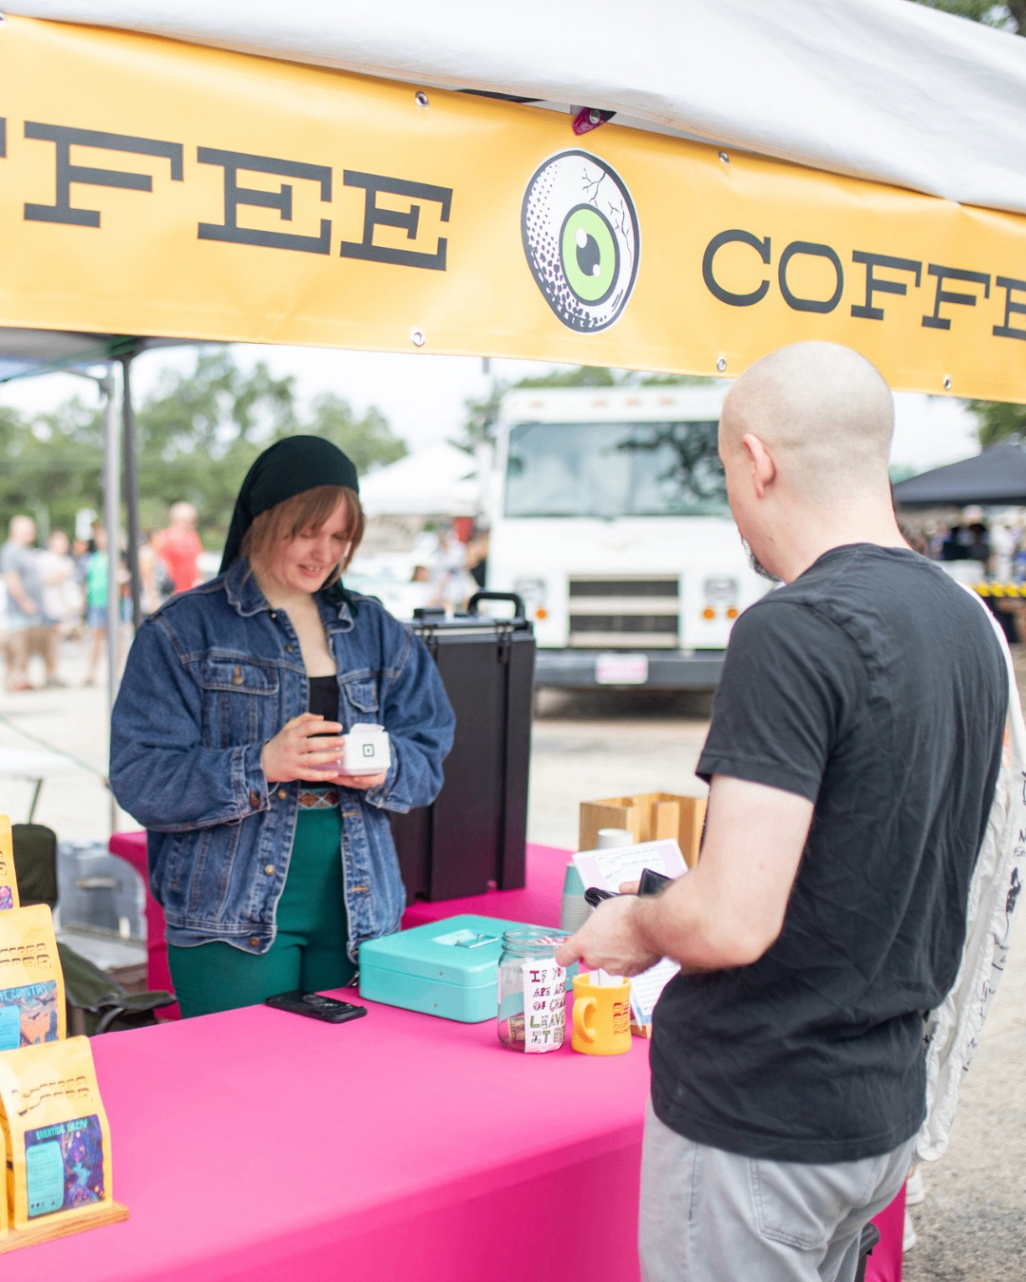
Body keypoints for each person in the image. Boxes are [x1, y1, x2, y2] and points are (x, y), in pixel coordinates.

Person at [556, 342, 1007, 1282]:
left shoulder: (792, 628)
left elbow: (729, 918)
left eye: (726, 471)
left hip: (765, 1116)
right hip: (878, 1105)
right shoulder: (968, 621)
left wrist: (636, 921)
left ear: (757, 460)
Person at [109, 436, 455, 1018]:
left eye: (340, 537)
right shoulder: (182, 630)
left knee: (342, 1091)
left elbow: (429, 754)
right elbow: (140, 776)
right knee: (239, 1088)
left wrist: (384, 769)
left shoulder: (375, 628)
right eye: (307, 531)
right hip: (226, 907)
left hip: (360, 904)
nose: (324, 552)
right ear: (263, 520)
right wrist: (261, 764)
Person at [1, 515, 48, 692]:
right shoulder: (10, 552)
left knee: (26, 646)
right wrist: (23, 601)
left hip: (29, 608)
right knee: (17, 646)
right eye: (30, 530)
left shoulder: (25, 551)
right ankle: (14, 679)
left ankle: (22, 677)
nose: (33, 534)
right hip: (18, 608)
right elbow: (12, 579)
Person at [153, 501, 203, 595]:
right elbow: (163, 567)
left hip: (192, 591)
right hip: (174, 593)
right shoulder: (165, 538)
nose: (193, 525)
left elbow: (197, 564)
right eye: (191, 521)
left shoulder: (193, 536)